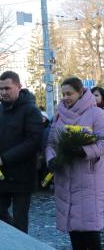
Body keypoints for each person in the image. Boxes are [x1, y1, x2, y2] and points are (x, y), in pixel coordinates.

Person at [46, 77, 104, 250]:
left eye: (69, 93)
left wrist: (82, 151)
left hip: (88, 180)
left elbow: (102, 143)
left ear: (80, 93)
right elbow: (50, 143)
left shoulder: (96, 114)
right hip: (65, 178)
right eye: (63, 94)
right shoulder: (59, 116)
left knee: (90, 231)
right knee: (74, 232)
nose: (65, 97)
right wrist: (52, 159)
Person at [0, 71, 43, 233]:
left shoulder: (31, 111)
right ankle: (13, 237)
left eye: (7, 88)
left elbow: (33, 143)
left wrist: (4, 158)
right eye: (1, 89)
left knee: (20, 219)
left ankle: (20, 242)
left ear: (18, 87)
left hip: (22, 175)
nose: (3, 92)